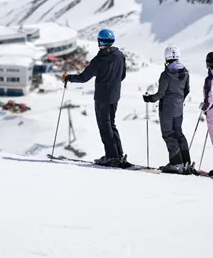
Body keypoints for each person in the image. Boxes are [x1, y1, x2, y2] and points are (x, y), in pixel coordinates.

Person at [62, 29, 128, 167]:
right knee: (112, 124)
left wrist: (69, 78)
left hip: (102, 97)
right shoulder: (120, 56)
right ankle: (119, 154)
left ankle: (111, 157)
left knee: (105, 126)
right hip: (115, 96)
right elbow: (122, 75)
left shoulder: (99, 60)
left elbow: (84, 77)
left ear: (99, 41)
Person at [143, 46, 192, 174]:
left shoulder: (166, 75)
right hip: (179, 109)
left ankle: (176, 164)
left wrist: (149, 99)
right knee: (179, 134)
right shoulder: (185, 73)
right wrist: (179, 100)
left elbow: (160, 94)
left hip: (167, 110)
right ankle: (186, 162)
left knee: (169, 135)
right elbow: (187, 90)